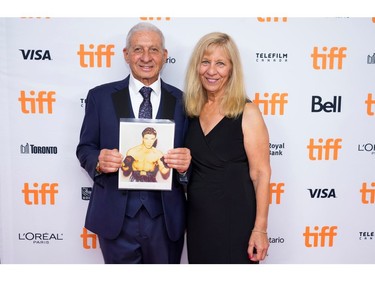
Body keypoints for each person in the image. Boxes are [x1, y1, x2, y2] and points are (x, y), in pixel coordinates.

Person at [76, 22, 191, 264]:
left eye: (154, 50)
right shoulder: (100, 97)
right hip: (115, 218)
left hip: (165, 219)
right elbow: (85, 148)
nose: (146, 57)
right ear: (126, 55)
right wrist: (99, 161)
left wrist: (185, 166)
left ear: (165, 55)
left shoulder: (185, 102)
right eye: (138, 49)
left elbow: (193, 158)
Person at [183, 32, 271, 264]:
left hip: (236, 221)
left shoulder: (247, 112)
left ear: (232, 69)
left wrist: (260, 229)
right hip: (198, 221)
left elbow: (261, 174)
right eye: (205, 62)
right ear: (197, 66)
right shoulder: (190, 110)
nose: (211, 71)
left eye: (220, 63)